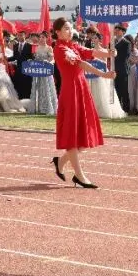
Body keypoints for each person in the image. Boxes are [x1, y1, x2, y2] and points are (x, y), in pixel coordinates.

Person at [50, 18, 115, 189]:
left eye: (70, 28)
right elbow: (81, 63)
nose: (70, 31)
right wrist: (103, 74)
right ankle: (79, 175)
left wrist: (109, 54)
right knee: (72, 134)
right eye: (66, 28)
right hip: (70, 91)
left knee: (82, 135)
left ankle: (60, 161)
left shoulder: (73, 46)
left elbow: (90, 52)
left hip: (81, 89)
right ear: (57, 32)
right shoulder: (60, 49)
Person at [29, 32, 58, 115]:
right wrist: (31, 61)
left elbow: (53, 59)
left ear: (46, 38)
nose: (41, 39)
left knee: (46, 89)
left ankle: (47, 108)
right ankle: (38, 108)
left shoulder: (49, 48)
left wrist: (48, 62)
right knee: (38, 88)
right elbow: (36, 59)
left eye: (43, 37)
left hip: (46, 72)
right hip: (38, 72)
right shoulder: (37, 48)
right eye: (40, 37)